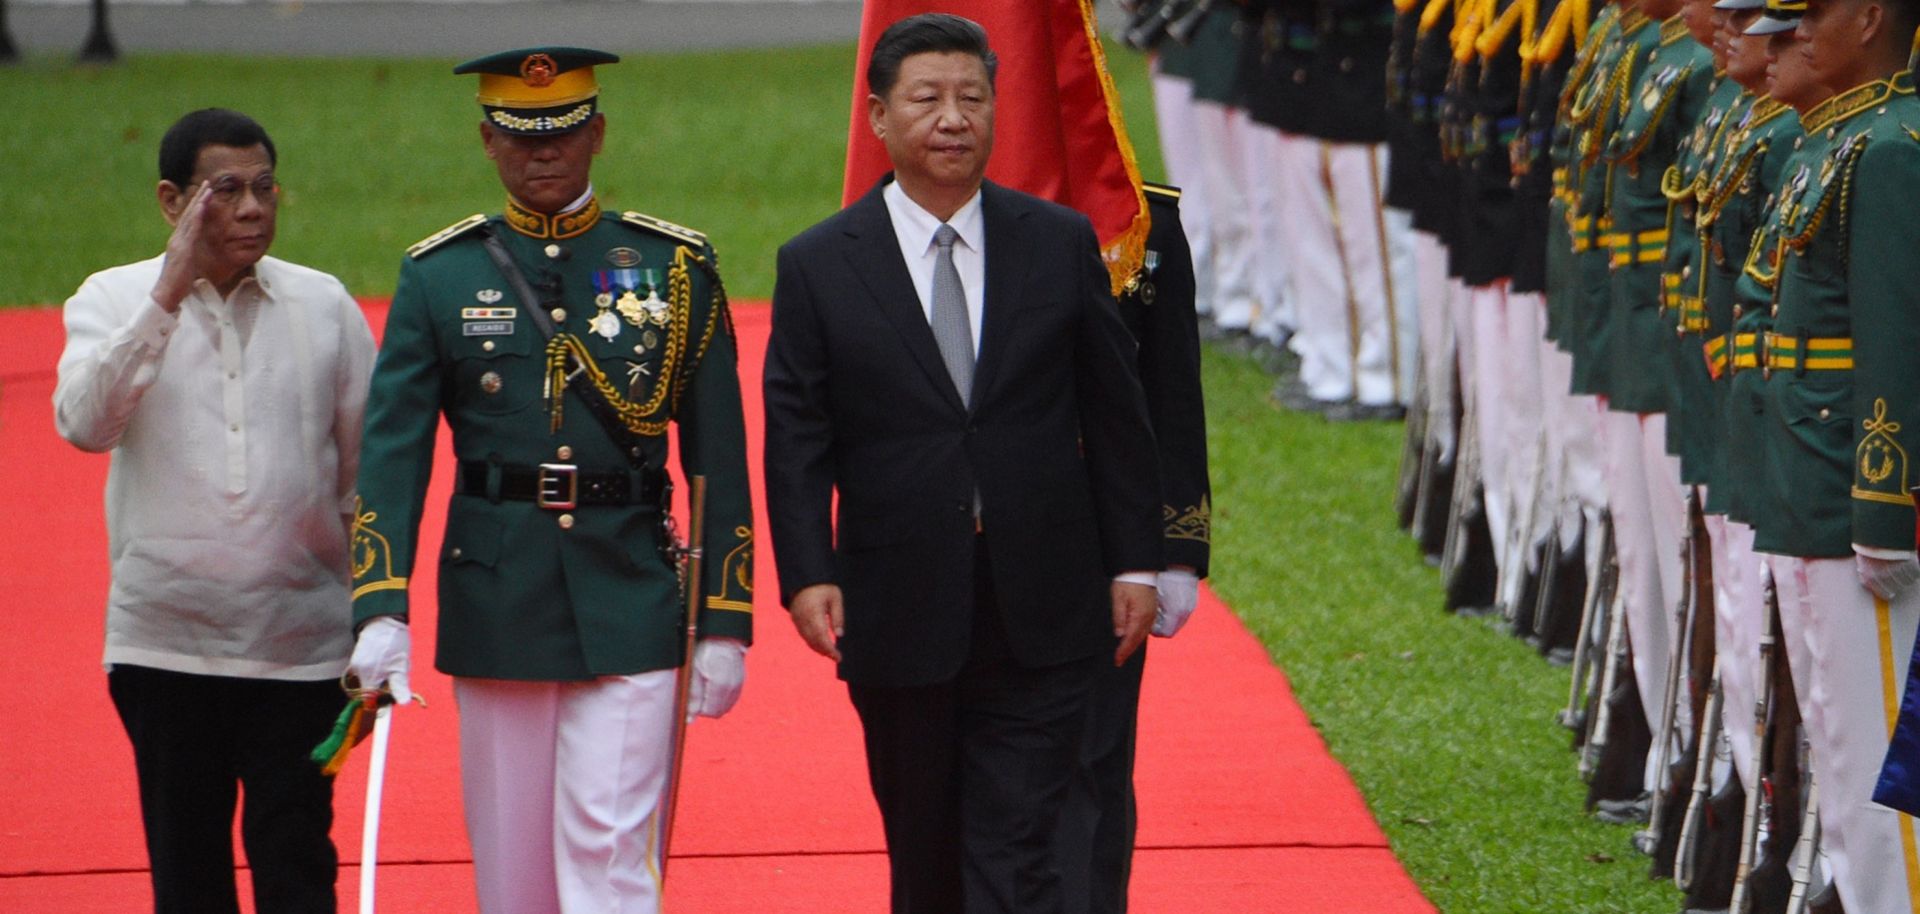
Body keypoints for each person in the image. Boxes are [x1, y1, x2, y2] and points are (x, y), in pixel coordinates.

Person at [761, 14, 1165, 914]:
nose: (953, 118)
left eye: (972, 98)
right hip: (897, 601)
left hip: (1045, 598)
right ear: (878, 118)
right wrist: (806, 574)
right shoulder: (820, 264)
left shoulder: (1056, 243)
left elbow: (1116, 412)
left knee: (1019, 844)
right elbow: (796, 434)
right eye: (928, 99)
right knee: (925, 845)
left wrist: (1137, 557)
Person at [342, 47, 755, 914]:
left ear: (597, 134)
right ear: (489, 142)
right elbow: (395, 451)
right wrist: (380, 602)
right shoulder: (440, 276)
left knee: (608, 852)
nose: (543, 153)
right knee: (513, 866)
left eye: (564, 133)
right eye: (520, 136)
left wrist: (725, 615)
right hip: (500, 591)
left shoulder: (673, 270)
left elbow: (719, 454)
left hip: (632, 588)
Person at [52, 107, 376, 914]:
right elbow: (85, 425)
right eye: (224, 190)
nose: (252, 208)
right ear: (172, 201)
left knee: (297, 862)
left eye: (265, 187)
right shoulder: (110, 298)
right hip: (165, 649)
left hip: (301, 651)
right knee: (188, 874)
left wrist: (379, 617)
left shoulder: (326, 305)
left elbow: (364, 481)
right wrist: (166, 291)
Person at [1746, 0, 1920, 904]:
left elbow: (1892, 339)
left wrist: (1886, 508)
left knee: (1879, 763)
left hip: (1854, 494)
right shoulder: (1835, 140)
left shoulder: (1891, 148)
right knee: (1838, 744)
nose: (1792, 32)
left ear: (1870, 17)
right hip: (1805, 478)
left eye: (1813, 14)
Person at [1055, 182, 1212, 914]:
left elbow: (1171, 385)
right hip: (965, 531)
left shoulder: (1143, 220)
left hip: (1098, 535)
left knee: (1093, 760)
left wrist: (1177, 546)